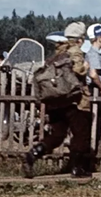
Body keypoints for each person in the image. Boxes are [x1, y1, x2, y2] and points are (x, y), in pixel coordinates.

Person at [23, 22, 93, 178]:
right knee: (81, 134)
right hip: (75, 101)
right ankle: (77, 168)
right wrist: (86, 67)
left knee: (57, 135)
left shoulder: (57, 53)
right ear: (80, 39)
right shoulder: (75, 51)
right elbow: (77, 70)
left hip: (56, 102)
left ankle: (33, 153)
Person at [84, 23, 101, 94]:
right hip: (95, 89)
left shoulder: (92, 53)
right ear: (100, 39)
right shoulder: (94, 54)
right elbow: (93, 74)